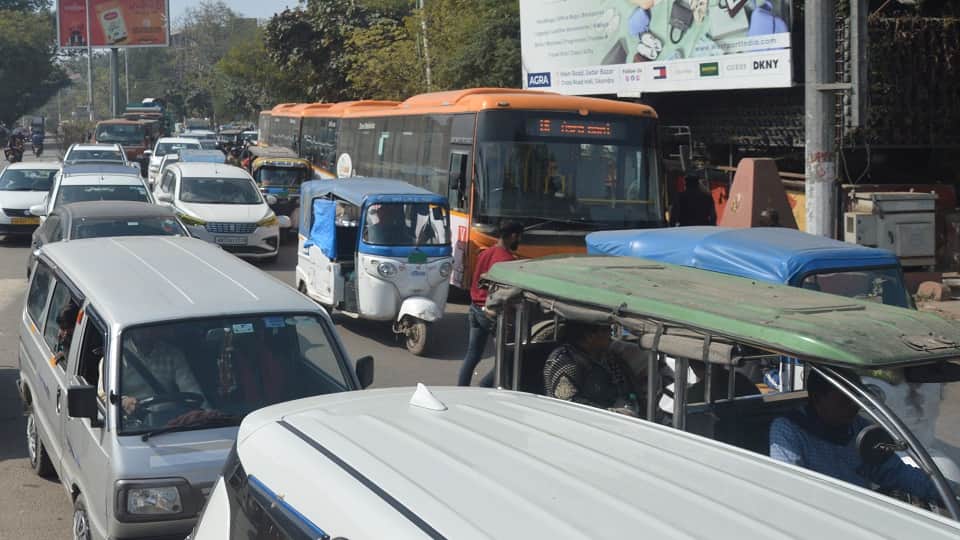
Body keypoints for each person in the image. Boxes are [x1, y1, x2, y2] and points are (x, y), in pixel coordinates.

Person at [769, 369, 940, 501]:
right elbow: (790, 487)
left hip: (862, 510)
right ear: (818, 398)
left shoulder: (858, 428)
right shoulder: (788, 430)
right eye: (844, 401)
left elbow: (895, 472)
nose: (853, 407)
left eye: (855, 399)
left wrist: (947, 490)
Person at [457, 220, 524, 387]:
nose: (519, 242)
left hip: (474, 309)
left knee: (472, 355)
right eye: (519, 238)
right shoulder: (507, 261)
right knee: (505, 360)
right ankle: (484, 387)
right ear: (513, 236)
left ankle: (461, 389)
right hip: (490, 314)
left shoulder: (485, 253)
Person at [542, 321, 644, 415]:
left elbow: (626, 385)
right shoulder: (565, 361)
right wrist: (613, 413)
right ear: (589, 336)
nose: (611, 334)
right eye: (606, 330)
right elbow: (568, 403)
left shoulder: (608, 356)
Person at [119, 326, 204, 416]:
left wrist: (206, 415)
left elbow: (191, 390)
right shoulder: (116, 355)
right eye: (142, 328)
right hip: (131, 423)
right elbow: (105, 397)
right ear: (132, 329)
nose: (147, 332)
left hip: (170, 420)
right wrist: (124, 401)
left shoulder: (172, 354)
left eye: (151, 327)